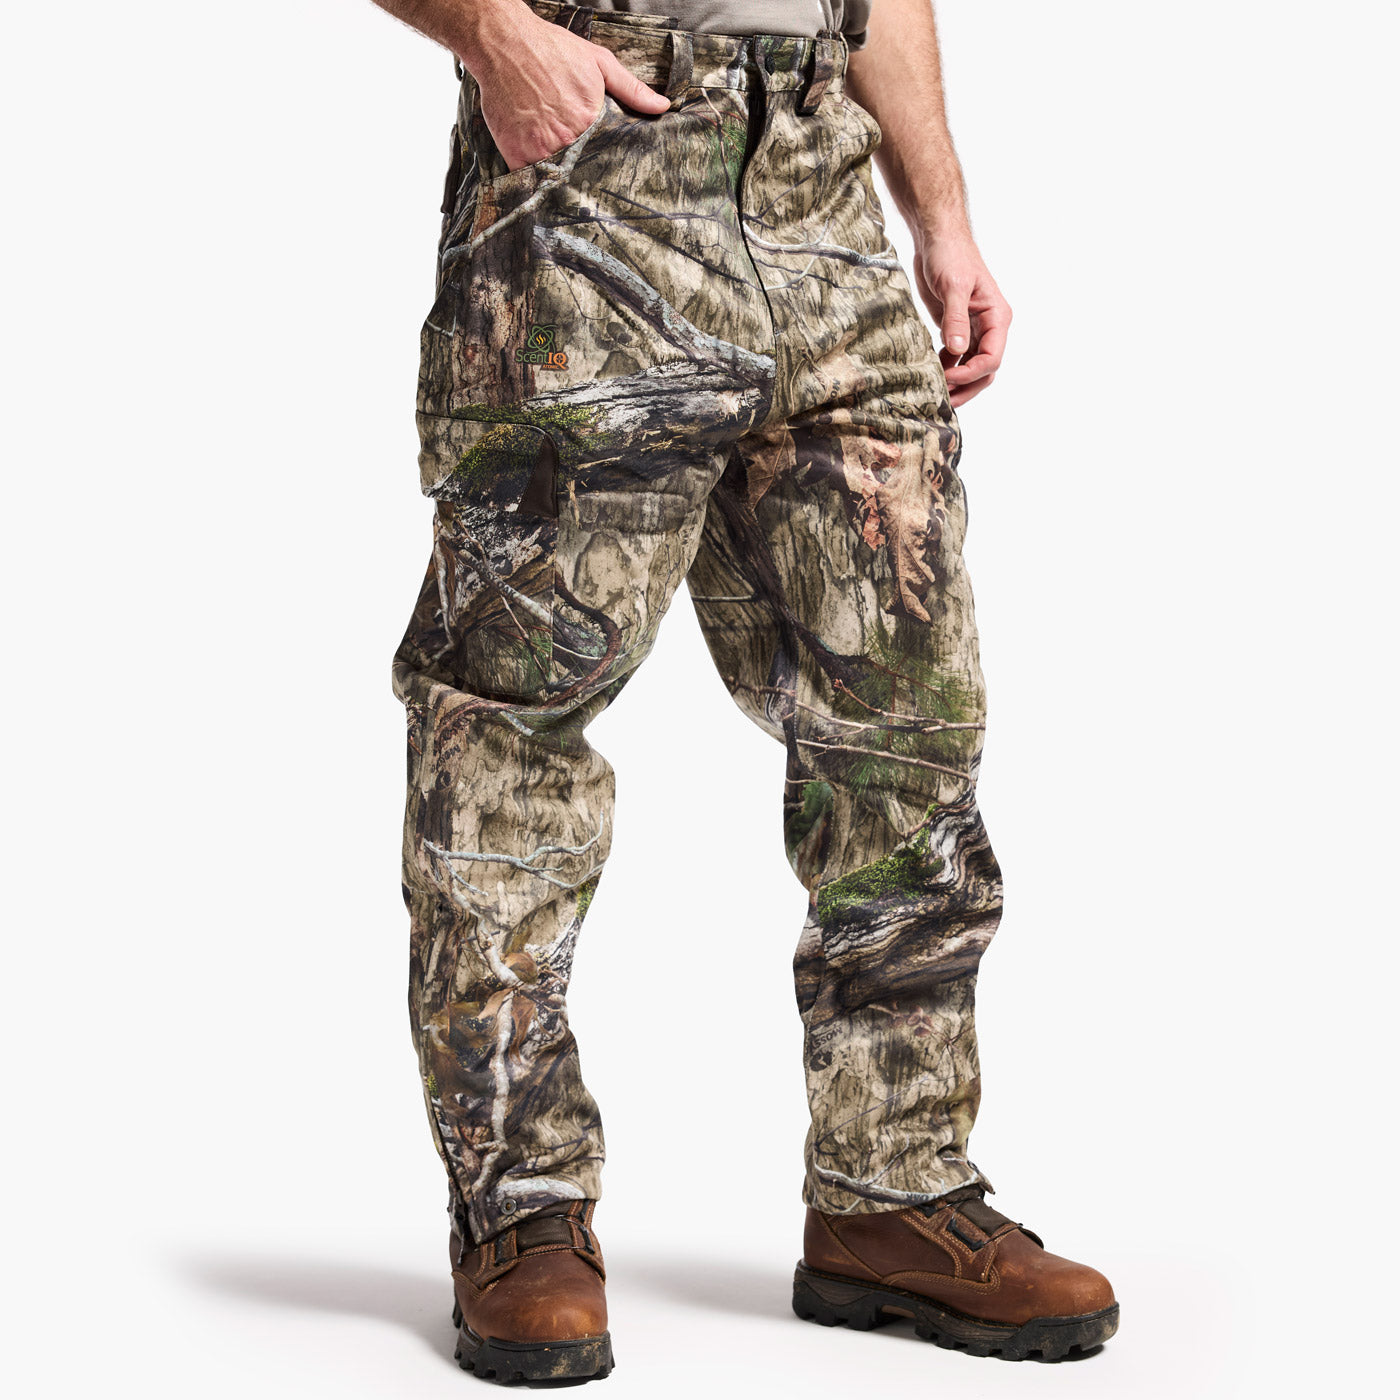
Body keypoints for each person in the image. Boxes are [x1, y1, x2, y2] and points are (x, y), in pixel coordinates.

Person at [370, 0, 1117, 1382]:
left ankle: (891, 1193)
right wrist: (495, 34)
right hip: (599, 183)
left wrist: (941, 214)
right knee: (515, 734)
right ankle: (521, 1213)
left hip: (826, 205)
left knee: (906, 730)